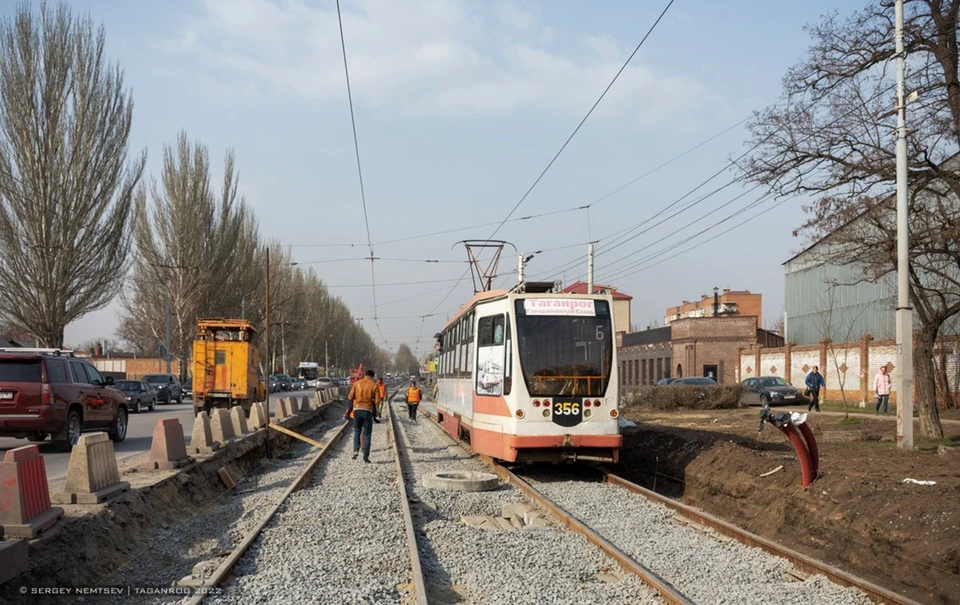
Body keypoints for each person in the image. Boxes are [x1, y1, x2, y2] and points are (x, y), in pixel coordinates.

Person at [347, 370, 379, 463]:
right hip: (367, 411)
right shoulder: (374, 385)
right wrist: (372, 399)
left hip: (357, 409)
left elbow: (350, 397)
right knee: (367, 434)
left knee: (357, 431)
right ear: (372, 376)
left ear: (365, 375)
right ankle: (365, 456)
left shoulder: (357, 383)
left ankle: (355, 450)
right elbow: (377, 402)